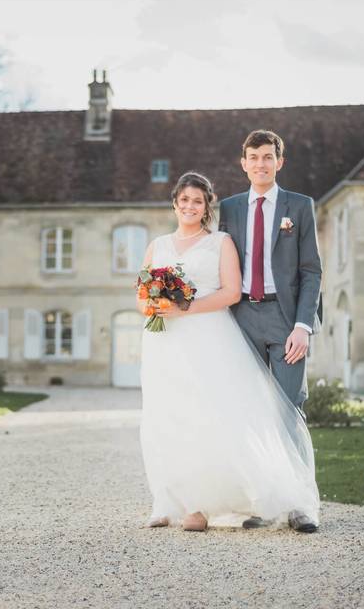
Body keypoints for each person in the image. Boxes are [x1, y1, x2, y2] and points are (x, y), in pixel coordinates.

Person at [139, 170, 319, 533]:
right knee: (168, 415)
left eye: (198, 200)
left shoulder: (220, 241)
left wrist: (183, 308)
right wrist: (154, 306)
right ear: (174, 202)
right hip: (164, 342)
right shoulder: (157, 245)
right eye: (184, 199)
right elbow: (142, 293)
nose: (190, 206)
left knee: (213, 415)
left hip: (209, 336)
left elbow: (231, 293)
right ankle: (174, 500)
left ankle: (222, 503)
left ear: (207, 207)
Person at [219, 129, 322, 531]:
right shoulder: (228, 209)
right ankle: (262, 501)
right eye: (253, 157)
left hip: (285, 319)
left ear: (280, 162)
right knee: (250, 410)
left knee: (289, 408)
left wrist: (303, 326)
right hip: (241, 316)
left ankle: (301, 506)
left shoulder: (299, 207)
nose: (260, 163)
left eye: (268, 157)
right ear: (243, 163)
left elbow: (311, 271)